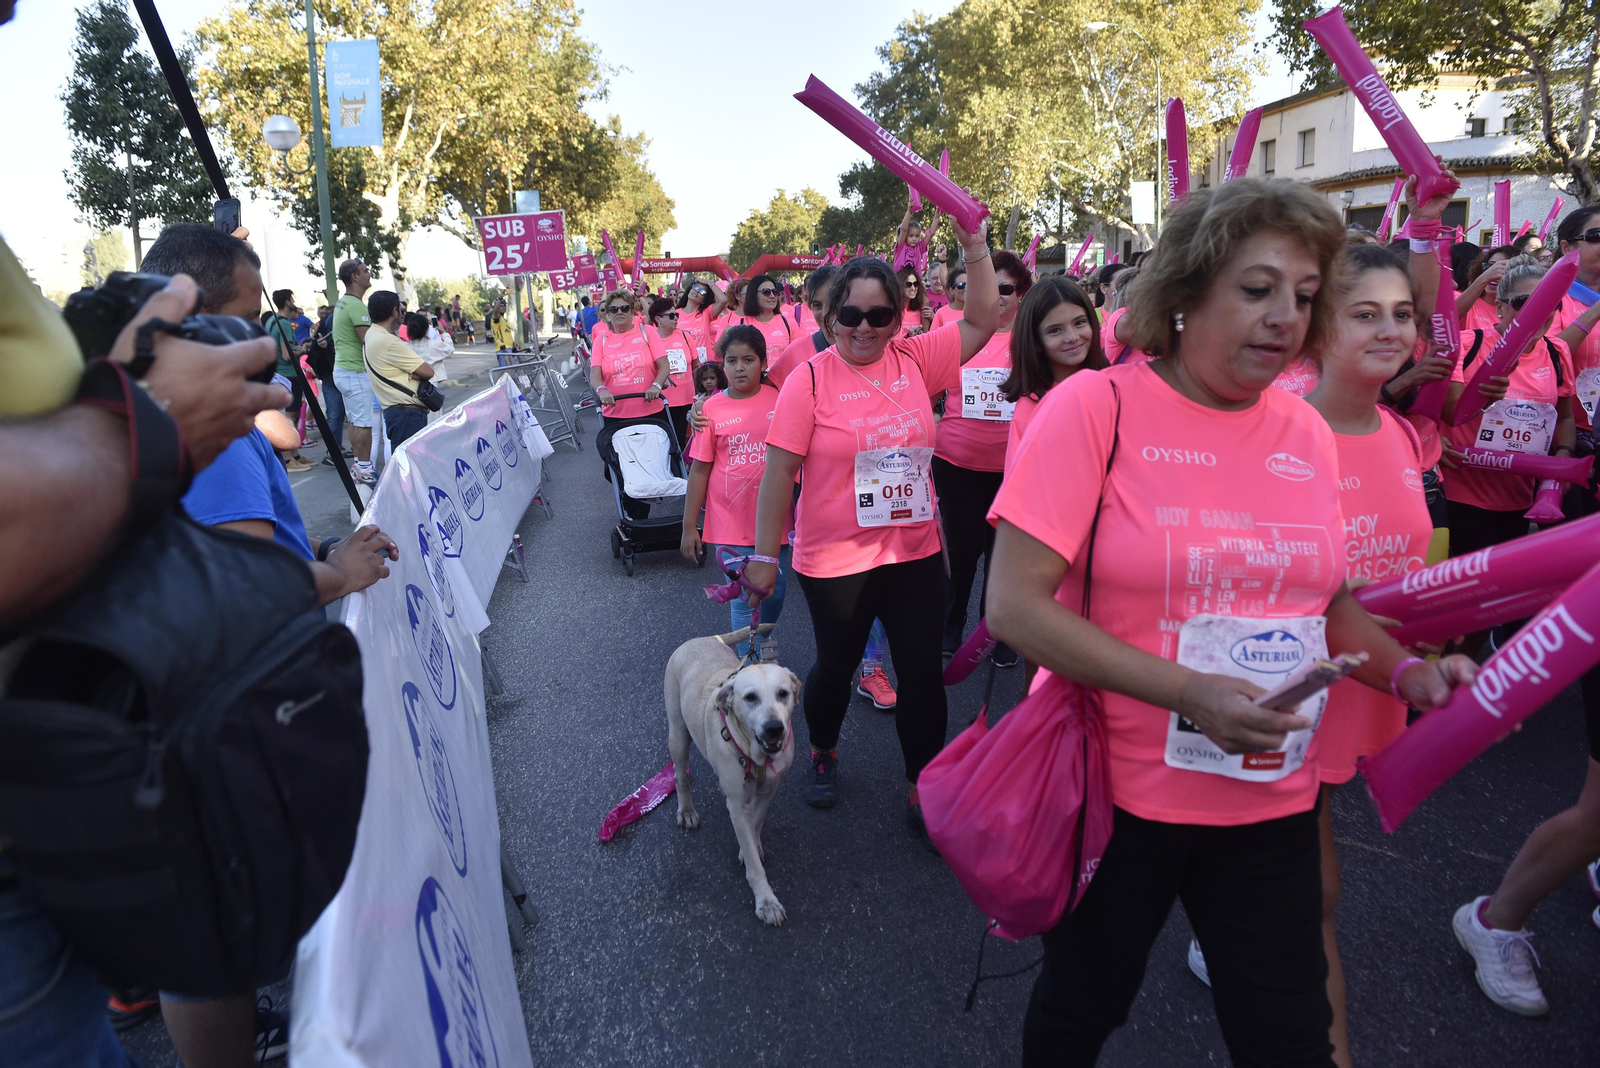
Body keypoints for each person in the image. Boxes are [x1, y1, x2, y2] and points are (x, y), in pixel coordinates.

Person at [985, 177, 1478, 1066]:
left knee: (1289, 1035)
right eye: (1257, 290)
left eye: (1301, 296)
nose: (1284, 317)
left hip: (1267, 790)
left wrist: (1407, 672)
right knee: (1080, 1012)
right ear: (1185, 293)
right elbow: (1014, 606)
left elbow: (1324, 604)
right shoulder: (1094, 408)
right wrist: (1190, 692)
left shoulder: (1304, 431)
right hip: (1116, 795)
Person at [0, 210, 287, 1068]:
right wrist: (146, 426)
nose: (258, 341)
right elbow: (240, 563)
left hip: (63, 782)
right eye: (243, 318)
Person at [141, 222, 401, 1067]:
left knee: (211, 931)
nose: (271, 337)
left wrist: (323, 556)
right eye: (252, 316)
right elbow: (250, 580)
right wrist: (344, 576)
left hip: (204, 703)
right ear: (194, 318)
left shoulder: (185, 407)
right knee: (210, 942)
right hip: (217, 713)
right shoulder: (204, 425)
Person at [745, 211, 999, 840]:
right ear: (829, 318)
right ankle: (823, 749)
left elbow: (983, 319)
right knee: (836, 666)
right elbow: (779, 474)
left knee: (920, 672)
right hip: (836, 560)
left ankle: (923, 784)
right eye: (849, 315)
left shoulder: (917, 361)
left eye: (879, 315)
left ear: (898, 317)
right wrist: (761, 555)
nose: (863, 328)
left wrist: (975, 247)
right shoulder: (808, 379)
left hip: (912, 551)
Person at [1290, 242, 1440, 1066]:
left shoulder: (1399, 432)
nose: (1390, 331)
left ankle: (1239, 926)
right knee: (1318, 893)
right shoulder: (1284, 435)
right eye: (1365, 314)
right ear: (1317, 329)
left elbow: (1408, 565)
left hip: (1374, 683)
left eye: (1402, 314)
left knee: (1300, 878)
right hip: (1292, 690)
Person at [933, 250, 1031, 668]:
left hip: (1014, 471)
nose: (998, 296)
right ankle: (952, 623)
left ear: (1022, 295)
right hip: (956, 465)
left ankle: (997, 628)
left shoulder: (1032, 340)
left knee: (1003, 556)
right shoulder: (957, 334)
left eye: (1006, 289)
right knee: (961, 552)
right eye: (989, 288)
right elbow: (921, 386)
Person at [1442, 258, 1577, 558]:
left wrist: (1562, 457)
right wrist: (1483, 398)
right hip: (1461, 492)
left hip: (1519, 495)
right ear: (1500, 307)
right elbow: (1447, 414)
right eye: (1525, 302)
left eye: (1550, 303)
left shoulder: (1557, 351)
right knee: (1476, 582)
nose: (1538, 311)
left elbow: (1565, 417)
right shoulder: (1467, 345)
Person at [681, 325, 791, 661]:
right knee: (747, 595)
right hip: (730, 522)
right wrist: (689, 527)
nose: (740, 367)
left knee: (775, 590)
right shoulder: (710, 410)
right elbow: (700, 469)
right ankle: (749, 663)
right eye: (732, 360)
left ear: (763, 362)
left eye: (748, 360)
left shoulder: (782, 400)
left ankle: (763, 639)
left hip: (776, 521)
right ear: (721, 366)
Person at [1000, 276, 1106, 471]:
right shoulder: (1031, 408)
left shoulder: (1114, 389)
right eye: (1055, 330)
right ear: (1036, 341)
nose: (1072, 337)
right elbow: (1021, 489)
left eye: (1080, 322)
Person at [364, 293, 437, 450]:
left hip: (398, 413)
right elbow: (428, 371)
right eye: (401, 309)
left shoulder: (371, 334)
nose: (403, 313)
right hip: (407, 415)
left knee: (407, 467)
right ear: (394, 311)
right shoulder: (388, 341)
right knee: (411, 469)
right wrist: (418, 373)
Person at [589, 290, 669, 424]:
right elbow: (594, 375)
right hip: (615, 413)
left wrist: (656, 386)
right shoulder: (600, 341)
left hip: (651, 410)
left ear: (632, 312)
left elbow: (665, 365)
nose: (619, 312)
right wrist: (601, 390)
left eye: (624, 308)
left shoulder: (647, 332)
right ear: (608, 315)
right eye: (614, 309)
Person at [331, 259, 378, 484]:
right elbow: (368, 343)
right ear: (354, 277)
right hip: (356, 372)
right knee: (364, 424)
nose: (369, 274)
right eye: (365, 270)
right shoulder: (357, 306)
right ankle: (365, 468)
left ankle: (359, 465)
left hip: (344, 370)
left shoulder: (343, 303)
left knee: (354, 421)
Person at [649, 296, 700, 445]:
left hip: (686, 399)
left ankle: (681, 468)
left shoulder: (685, 336)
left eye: (676, 315)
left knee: (683, 440)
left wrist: (700, 391)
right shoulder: (650, 339)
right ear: (658, 319)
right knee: (664, 441)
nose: (676, 318)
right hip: (661, 400)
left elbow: (696, 364)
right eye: (671, 316)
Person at [1457, 245, 1516, 334]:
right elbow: (1447, 320)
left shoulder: (1517, 310)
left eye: (1504, 269)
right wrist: (1484, 278)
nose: (1495, 273)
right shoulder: (1467, 302)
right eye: (1489, 266)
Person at [893, 190, 933, 275]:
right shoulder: (901, 246)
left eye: (917, 236)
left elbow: (930, 234)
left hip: (915, 284)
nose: (914, 239)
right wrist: (909, 211)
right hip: (900, 281)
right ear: (905, 236)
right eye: (911, 236)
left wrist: (937, 217)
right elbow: (904, 230)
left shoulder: (919, 248)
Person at [898, 264, 931, 336]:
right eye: (908, 284)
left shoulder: (922, 305)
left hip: (918, 346)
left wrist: (933, 318)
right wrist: (908, 335)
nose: (913, 288)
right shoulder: (894, 307)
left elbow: (927, 334)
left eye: (915, 284)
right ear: (900, 285)